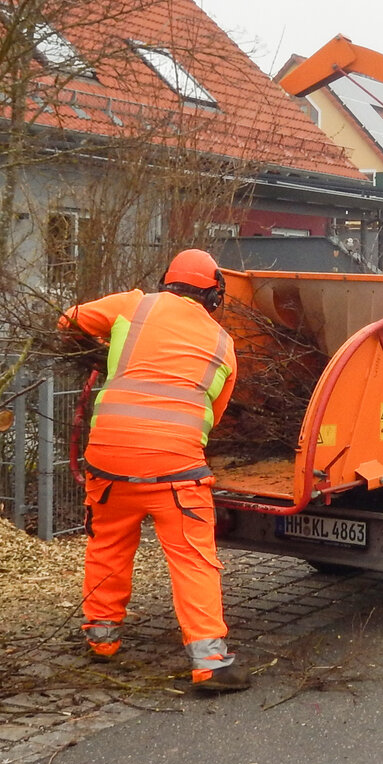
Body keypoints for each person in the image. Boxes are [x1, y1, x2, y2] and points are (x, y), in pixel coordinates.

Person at [58, 248, 249, 692]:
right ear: (213, 296)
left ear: (168, 281)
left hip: (109, 460)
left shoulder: (133, 305)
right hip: (176, 471)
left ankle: (101, 637)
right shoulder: (224, 344)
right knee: (194, 559)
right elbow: (212, 416)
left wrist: (106, 351)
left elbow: (68, 321)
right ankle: (210, 662)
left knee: (108, 543)